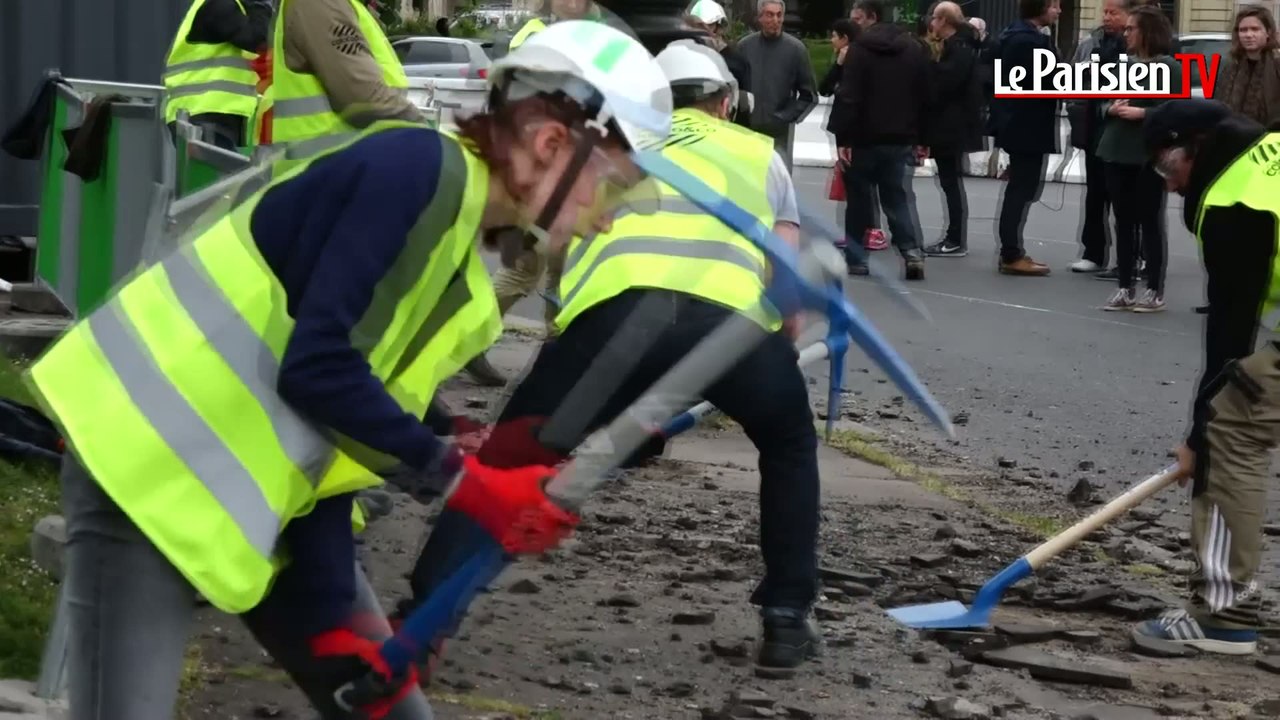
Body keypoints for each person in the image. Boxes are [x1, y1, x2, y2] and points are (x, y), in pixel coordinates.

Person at [30, 21, 671, 720]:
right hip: (143, 468)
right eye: (612, 191)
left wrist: (446, 447)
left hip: (265, 499)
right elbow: (320, 371)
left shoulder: (461, 234)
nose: (607, 222)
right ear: (551, 144)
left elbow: (343, 412)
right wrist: (465, 484)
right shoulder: (417, 173)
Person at [405, 38, 825, 672]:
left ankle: (424, 618)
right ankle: (787, 620)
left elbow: (562, 252)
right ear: (725, 103)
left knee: (511, 458)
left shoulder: (614, 146)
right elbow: (784, 280)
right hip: (730, 327)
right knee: (789, 445)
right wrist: (772, 367)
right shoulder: (758, 153)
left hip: (614, 323)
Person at [1133, 98, 1276, 655]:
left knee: (1232, 428)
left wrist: (1201, 433)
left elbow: (1230, 340)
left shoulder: (1235, 201)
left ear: (1198, 150)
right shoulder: (1270, 152)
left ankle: (1224, 613)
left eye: (1170, 168)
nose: (1169, 187)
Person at [464, 0, 603, 387]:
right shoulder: (549, 38)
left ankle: (552, 355)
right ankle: (481, 340)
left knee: (548, 267)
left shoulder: (554, 35)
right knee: (535, 269)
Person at [835, 0, 931, 279]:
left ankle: (856, 259)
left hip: (864, 137)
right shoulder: (912, 48)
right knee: (897, 198)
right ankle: (912, 253)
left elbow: (849, 97)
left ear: (870, 19)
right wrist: (922, 137)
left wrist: (844, 139)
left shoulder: (859, 51)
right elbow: (924, 95)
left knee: (859, 202)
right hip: (900, 136)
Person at [1097, 6, 1177, 313]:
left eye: (1132, 28)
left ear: (1148, 32)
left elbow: (1173, 110)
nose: (1126, 33)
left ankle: (1154, 290)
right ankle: (1125, 287)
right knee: (1123, 221)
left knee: (1150, 222)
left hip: (1146, 153)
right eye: (1126, 28)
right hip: (1115, 149)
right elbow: (1102, 101)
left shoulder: (1168, 66)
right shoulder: (1122, 64)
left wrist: (1143, 113)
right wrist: (1111, 108)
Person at [267, 0, 424, 155]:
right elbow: (363, 96)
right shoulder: (323, 4)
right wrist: (426, 131)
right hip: (332, 167)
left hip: (342, 165)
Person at [987, 0, 1060, 276]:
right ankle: (1011, 253)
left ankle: (1011, 251)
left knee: (1020, 188)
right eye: (1054, 6)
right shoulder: (1029, 42)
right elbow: (1050, 81)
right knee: (1021, 190)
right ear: (1040, 8)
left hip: (1017, 122)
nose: (1058, 11)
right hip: (1027, 124)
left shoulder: (1013, 35)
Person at [1066, 0, 1130, 275]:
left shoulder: (1136, 45)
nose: (1107, 17)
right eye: (1104, 11)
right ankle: (1093, 252)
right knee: (1095, 194)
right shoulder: (1091, 43)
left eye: (1113, 12)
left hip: (1125, 131)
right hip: (1094, 125)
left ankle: (1132, 256)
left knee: (1125, 198)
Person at [163, 0, 274, 150]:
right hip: (203, 117)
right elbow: (259, 40)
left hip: (207, 117)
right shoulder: (219, 5)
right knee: (221, 172)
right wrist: (260, 4)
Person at [921, 1, 983, 258]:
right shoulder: (962, 45)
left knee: (950, 182)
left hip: (952, 125)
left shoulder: (959, 48)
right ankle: (954, 237)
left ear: (944, 21)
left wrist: (929, 69)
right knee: (950, 181)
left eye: (934, 19)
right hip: (953, 124)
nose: (931, 24)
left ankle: (955, 239)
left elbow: (945, 84)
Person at [737, 0, 818, 171]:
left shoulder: (796, 50)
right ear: (759, 17)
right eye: (769, 14)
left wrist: (785, 117)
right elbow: (734, 87)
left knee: (777, 188)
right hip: (747, 133)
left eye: (779, 15)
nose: (775, 20)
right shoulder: (744, 47)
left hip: (779, 136)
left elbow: (809, 96)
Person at [686, 0, 754, 129]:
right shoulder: (685, 56)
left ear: (719, 27)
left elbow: (745, 106)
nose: (699, 32)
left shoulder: (737, 61)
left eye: (705, 26)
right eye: (695, 27)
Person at [1216, 5, 1280, 126]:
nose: (1248, 35)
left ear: (1268, 32)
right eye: (1243, 30)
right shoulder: (1231, 66)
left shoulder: (1277, 64)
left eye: (1255, 29)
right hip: (1234, 138)